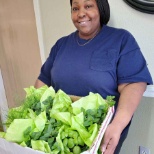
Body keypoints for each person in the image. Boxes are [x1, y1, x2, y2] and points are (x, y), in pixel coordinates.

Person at [34, 0, 153, 153]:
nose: (81, 13)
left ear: (101, 9)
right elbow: (42, 82)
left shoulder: (121, 39)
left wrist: (117, 125)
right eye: (75, 8)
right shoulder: (61, 44)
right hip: (60, 134)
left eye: (88, 6)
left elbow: (134, 85)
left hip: (101, 134)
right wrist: (35, 118)